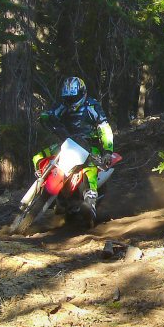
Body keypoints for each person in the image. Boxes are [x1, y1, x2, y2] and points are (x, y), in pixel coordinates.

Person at [33, 76, 114, 226]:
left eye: (74, 97)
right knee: (38, 156)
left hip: (89, 144)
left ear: (82, 93)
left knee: (91, 168)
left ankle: (90, 201)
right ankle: (42, 182)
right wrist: (45, 118)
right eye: (68, 98)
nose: (71, 100)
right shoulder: (62, 106)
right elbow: (49, 114)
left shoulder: (92, 106)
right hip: (67, 143)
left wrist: (108, 150)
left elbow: (104, 128)